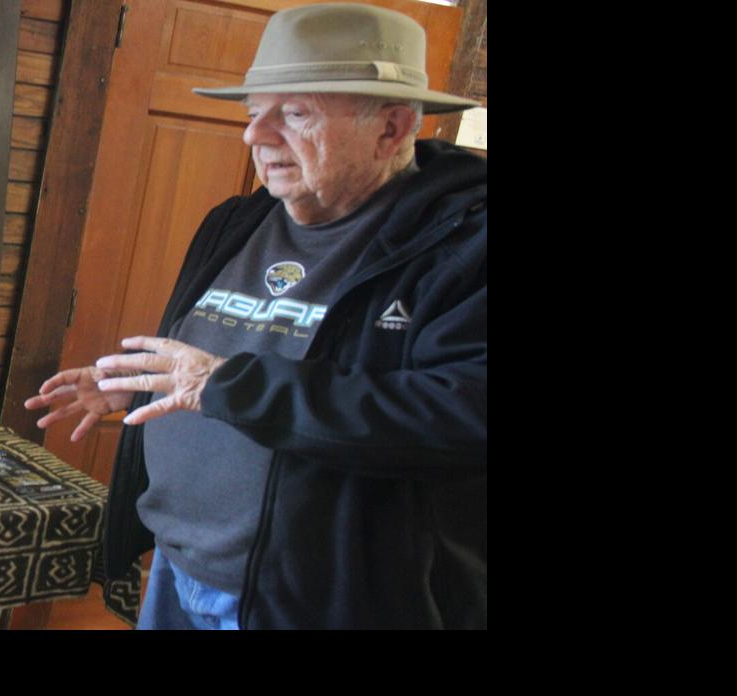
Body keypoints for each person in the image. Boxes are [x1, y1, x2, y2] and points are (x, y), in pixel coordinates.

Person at [24, 3, 486, 630]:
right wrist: (135, 381)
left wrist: (224, 386)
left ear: (393, 126)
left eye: (295, 113)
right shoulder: (236, 222)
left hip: (327, 602)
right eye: (252, 112)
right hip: (179, 567)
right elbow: (228, 352)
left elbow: (463, 416)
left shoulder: (463, 245)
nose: (255, 135)